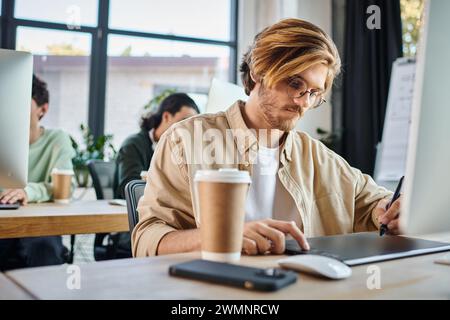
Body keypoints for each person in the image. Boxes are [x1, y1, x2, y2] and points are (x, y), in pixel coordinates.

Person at [132, 18, 400, 257]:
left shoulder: (320, 158)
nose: (303, 102)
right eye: (295, 83)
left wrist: (388, 210)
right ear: (258, 71)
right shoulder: (186, 141)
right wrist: (223, 238)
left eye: (314, 93)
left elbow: (374, 203)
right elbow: (146, 240)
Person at [108, 93, 199, 258]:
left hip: (169, 224)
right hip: (134, 228)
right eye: (184, 120)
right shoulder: (134, 144)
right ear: (166, 116)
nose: (186, 128)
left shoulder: (186, 151)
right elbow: (129, 184)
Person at [0, 75, 76, 270]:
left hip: (39, 226)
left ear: (43, 109)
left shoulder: (57, 139)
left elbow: (65, 187)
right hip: (3, 223)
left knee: (43, 247)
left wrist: (27, 192)